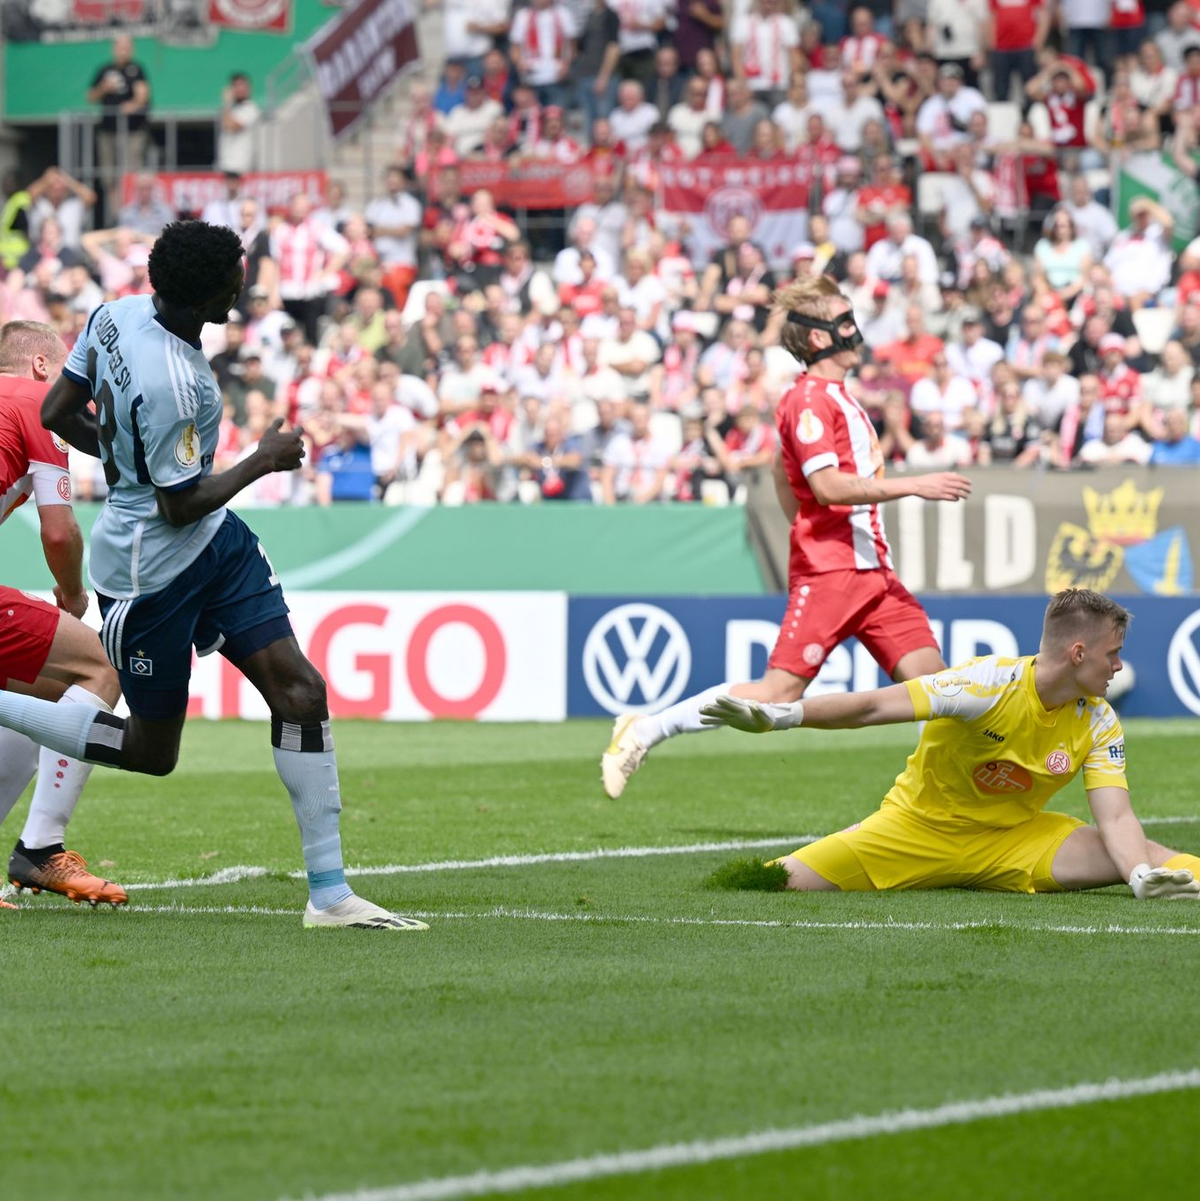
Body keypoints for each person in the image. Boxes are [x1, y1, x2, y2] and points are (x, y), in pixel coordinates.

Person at [0, 222, 426, 931]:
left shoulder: (113, 314)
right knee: (150, 750)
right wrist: (264, 457)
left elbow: (59, 410)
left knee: (301, 689)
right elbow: (178, 501)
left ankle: (329, 893)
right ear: (208, 292)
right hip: (149, 575)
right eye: (237, 276)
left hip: (213, 546)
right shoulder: (178, 381)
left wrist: (121, 460)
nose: (246, 284)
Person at [601, 275, 972, 798]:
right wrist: (914, 486)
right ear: (820, 338)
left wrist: (805, 525)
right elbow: (824, 485)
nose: (855, 328)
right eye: (844, 318)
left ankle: (942, 807)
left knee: (938, 690)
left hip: (872, 573)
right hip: (834, 572)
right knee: (776, 694)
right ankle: (643, 730)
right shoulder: (810, 400)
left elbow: (782, 472)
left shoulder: (836, 398)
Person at [700, 589, 1200, 902]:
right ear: (1077, 653)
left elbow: (1115, 818)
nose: (1118, 666)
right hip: (912, 831)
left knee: (1152, 858)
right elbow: (874, 706)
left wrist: (1136, 875)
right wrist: (781, 716)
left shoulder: (1100, 721)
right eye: (1113, 654)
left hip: (1017, 841)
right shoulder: (984, 684)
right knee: (764, 884)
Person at [0, 320, 125, 910]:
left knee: (44, 691)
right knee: (100, 667)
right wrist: (72, 594)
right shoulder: (35, 402)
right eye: (71, 367)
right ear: (43, 367)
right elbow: (60, 528)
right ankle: (41, 849)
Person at [86, 35, 151, 223]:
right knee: (109, 178)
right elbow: (90, 96)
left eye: (127, 47)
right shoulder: (105, 70)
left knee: (131, 175)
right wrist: (103, 88)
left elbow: (143, 95)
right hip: (108, 131)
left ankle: (132, 216)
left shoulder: (136, 69)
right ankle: (117, 217)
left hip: (132, 132)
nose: (123, 50)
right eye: (120, 47)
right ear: (114, 49)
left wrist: (130, 106)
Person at [217, 73, 260, 175]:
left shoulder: (250, 108)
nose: (239, 89)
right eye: (236, 86)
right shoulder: (232, 108)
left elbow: (231, 126)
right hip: (226, 163)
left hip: (240, 166)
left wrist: (226, 103)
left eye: (242, 85)